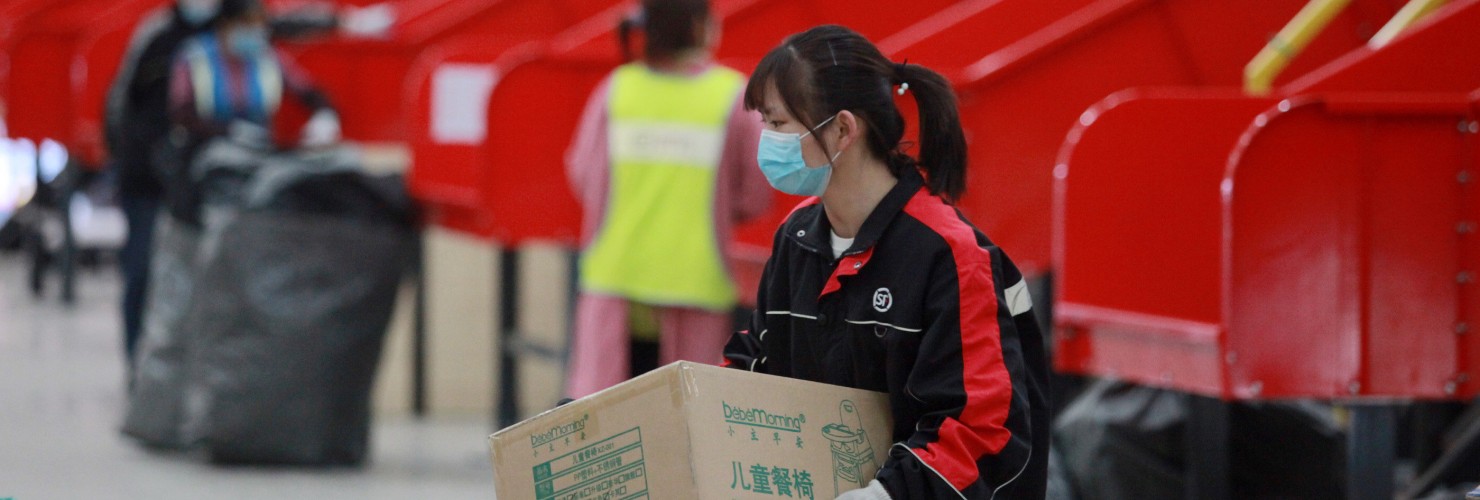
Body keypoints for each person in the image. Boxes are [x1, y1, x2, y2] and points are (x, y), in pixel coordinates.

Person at [721, 25, 1049, 499]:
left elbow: (979, 429)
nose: (765, 142)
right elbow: (757, 366)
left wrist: (882, 495)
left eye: (776, 125)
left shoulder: (949, 254)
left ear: (842, 130)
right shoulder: (797, 236)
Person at [563, 0, 771, 398]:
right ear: (699, 27)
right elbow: (754, 195)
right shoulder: (731, 95)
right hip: (695, 283)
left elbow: (583, 176)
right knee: (687, 425)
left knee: (606, 426)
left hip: (615, 282)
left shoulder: (617, 89)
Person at [105, 0, 222, 370]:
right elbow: (121, 106)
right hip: (146, 177)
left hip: (203, 178)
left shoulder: (227, 31)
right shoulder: (156, 35)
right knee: (141, 270)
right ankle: (137, 368)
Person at [166, 0, 339, 183]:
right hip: (204, 158)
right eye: (248, 24)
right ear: (226, 25)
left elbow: (308, 91)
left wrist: (325, 116)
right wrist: (229, 130)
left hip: (257, 157)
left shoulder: (266, 56)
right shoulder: (195, 57)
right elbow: (181, 113)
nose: (256, 32)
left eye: (260, 25)